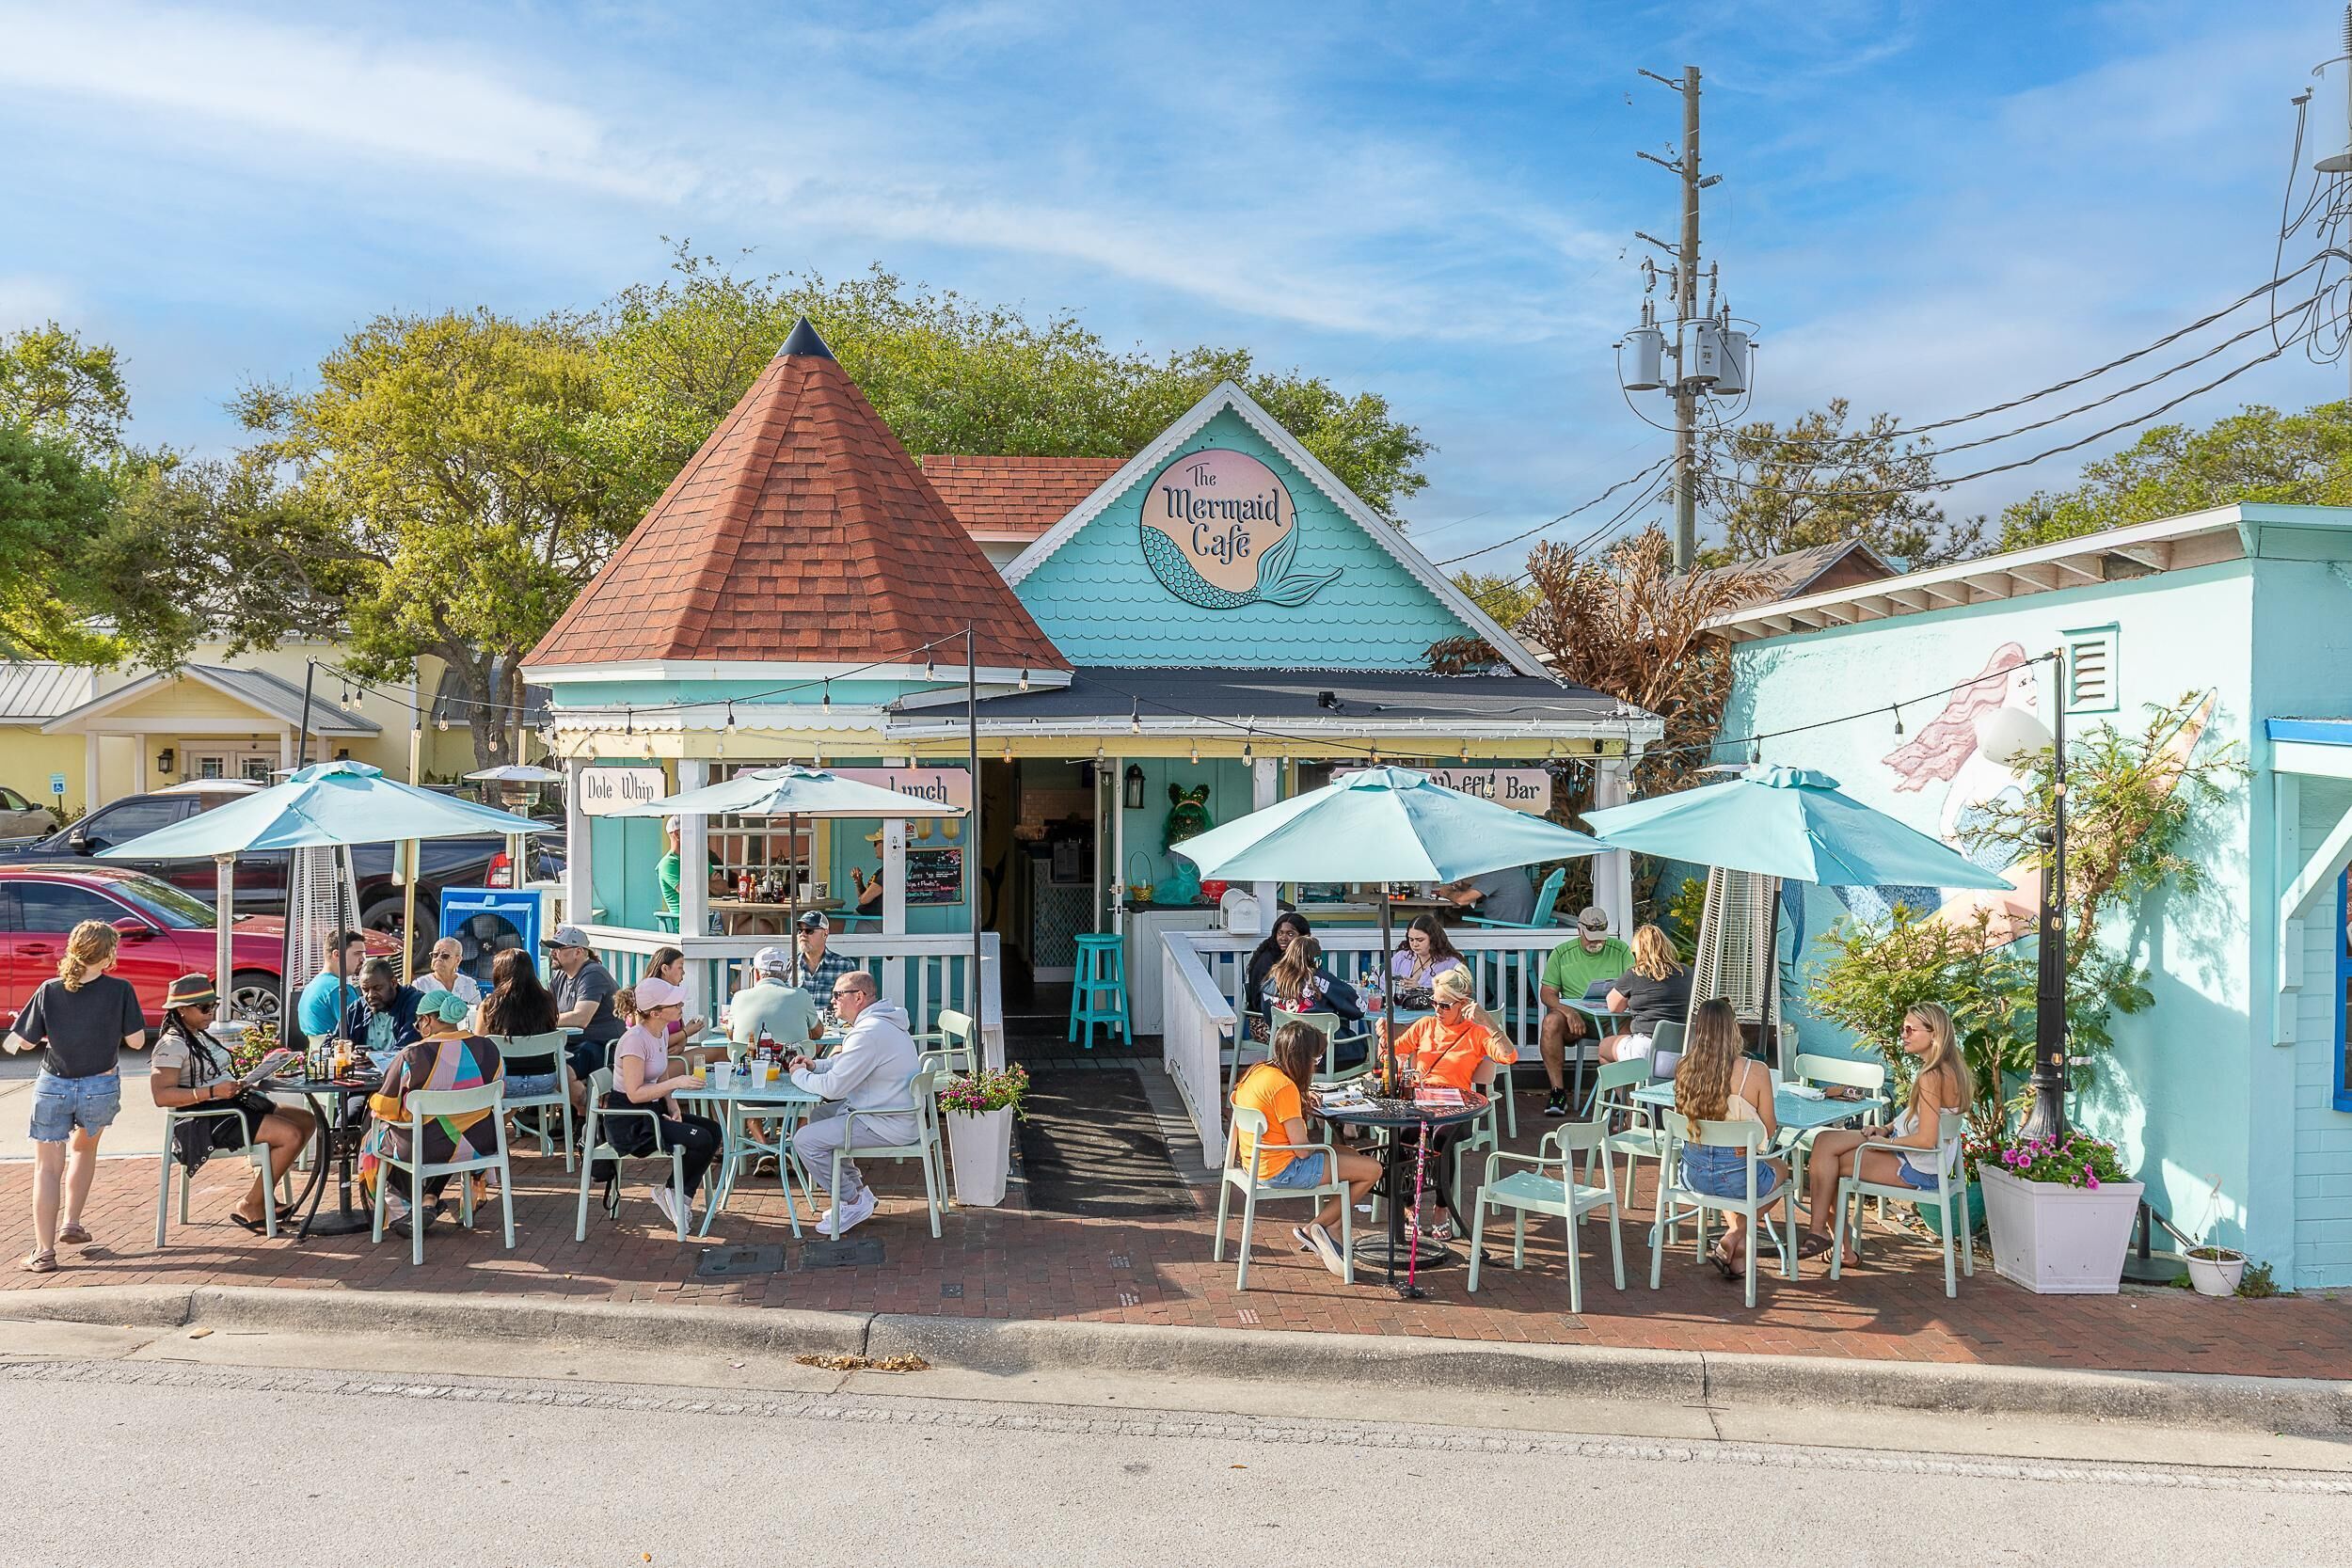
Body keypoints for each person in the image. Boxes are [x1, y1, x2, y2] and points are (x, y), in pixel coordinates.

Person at [4, 920, 145, 1273]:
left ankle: (43, 1251)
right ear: (108, 954)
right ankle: (72, 1221)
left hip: (54, 1083)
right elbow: (138, 1042)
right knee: (84, 1150)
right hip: (99, 1085)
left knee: (47, 1168)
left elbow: (18, 1044)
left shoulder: (49, 990)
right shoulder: (120, 990)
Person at [1799, 1002, 1974, 1267]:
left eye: (1910, 1029)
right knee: (1824, 1141)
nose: (1903, 1034)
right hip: (1924, 1160)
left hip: (1918, 1165)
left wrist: (1887, 1142)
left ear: (1934, 1034)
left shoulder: (1932, 1076)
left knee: (1827, 1165)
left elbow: (1926, 1140)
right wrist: (1887, 1129)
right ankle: (1827, 1238)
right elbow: (1919, 1119)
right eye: (1903, 1029)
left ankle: (1827, 1238)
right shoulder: (1952, 1069)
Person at [150, 974, 316, 1234]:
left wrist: (247, 1080)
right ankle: (251, 1204)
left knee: (306, 1120)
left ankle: (262, 1197)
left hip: (230, 1104)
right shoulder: (171, 1045)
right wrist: (213, 1091)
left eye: (213, 1006)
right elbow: (162, 1096)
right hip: (205, 1118)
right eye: (204, 1008)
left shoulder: (199, 1035)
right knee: (290, 1135)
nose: (210, 1013)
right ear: (181, 1010)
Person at [1375, 967, 1517, 1240]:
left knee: (1441, 1139)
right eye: (1434, 1002)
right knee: (1401, 1135)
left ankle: (1442, 1208)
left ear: (1463, 1005)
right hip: (1422, 1100)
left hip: (1458, 1104)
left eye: (1444, 1004)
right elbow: (1392, 1052)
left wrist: (1487, 1021)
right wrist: (1384, 1037)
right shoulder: (1425, 1025)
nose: (1437, 1009)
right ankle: (1408, 1208)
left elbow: (1509, 1057)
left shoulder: (1476, 1033)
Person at [1232, 1020, 1380, 1276]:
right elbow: (1302, 1150)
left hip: (1256, 1160)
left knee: (1351, 1155)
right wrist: (1303, 1115)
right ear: (1303, 1059)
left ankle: (1333, 1229)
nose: (1316, 1064)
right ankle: (1317, 1227)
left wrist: (1300, 1102)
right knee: (1373, 1169)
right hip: (1284, 1169)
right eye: (1316, 1058)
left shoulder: (1258, 1072)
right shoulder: (1284, 1088)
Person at [358, 989, 505, 1233]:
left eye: (418, 1022)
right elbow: (500, 1093)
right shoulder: (489, 1049)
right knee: (448, 1130)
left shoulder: (413, 1055)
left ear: (427, 1020)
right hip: (480, 1144)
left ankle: (400, 1211)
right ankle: (429, 1199)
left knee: (377, 1136)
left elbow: (385, 1106)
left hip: (423, 1147)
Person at [787, 970, 916, 1238]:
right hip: (887, 1111)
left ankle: (852, 1202)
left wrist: (800, 1075)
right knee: (820, 1116)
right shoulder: (880, 1024)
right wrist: (816, 1065)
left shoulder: (869, 1032)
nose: (833, 1001)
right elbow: (847, 1064)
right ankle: (857, 1192)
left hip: (885, 1121)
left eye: (838, 995)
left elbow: (834, 1088)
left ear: (858, 997)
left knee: (804, 1141)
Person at [1672, 997, 1787, 1279]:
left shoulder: (1685, 1067)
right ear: (1732, 1028)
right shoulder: (1755, 1071)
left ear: (1700, 1030)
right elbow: (1768, 1130)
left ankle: (1738, 1260)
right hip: (1736, 1176)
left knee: (1728, 1185)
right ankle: (1735, 1233)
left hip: (1691, 1175)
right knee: (1782, 1170)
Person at [601, 976, 722, 1231]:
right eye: (673, 1003)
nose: (680, 1006)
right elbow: (634, 1093)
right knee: (699, 1138)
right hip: (631, 1121)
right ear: (655, 1012)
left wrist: (673, 1105)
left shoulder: (660, 1032)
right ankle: (674, 1194)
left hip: (652, 1111)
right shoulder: (635, 1040)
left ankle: (677, 1195)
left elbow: (661, 1072)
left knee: (713, 1130)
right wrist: (675, 1084)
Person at [1536, 907, 1634, 1117]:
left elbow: (1634, 983)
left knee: (1630, 1029)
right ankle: (1557, 1092)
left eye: (1600, 937)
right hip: (1577, 1020)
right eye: (1590, 938)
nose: (1596, 943)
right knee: (1551, 1023)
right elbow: (1547, 993)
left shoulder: (1621, 950)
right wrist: (1568, 1011)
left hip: (1613, 1021)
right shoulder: (1562, 953)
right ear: (1579, 930)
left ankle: (1623, 1097)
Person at [1594, 925, 1692, 1069]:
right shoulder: (1686, 972)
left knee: (1604, 1048)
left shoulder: (1635, 974)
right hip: (1682, 1052)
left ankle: (1626, 1093)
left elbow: (1613, 1006)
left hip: (1645, 1049)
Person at [544, 924, 621, 1105]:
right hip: (572, 1044)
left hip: (603, 1046)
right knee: (541, 1066)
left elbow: (581, 1018)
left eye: (559, 949)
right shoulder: (559, 976)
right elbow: (548, 1010)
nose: (552, 953)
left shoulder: (593, 973)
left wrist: (542, 1021)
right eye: (552, 949)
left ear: (578, 952)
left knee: (563, 1072)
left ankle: (587, 1118)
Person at [1256, 934, 1363, 1060]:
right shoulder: (1324, 980)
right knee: (1362, 1044)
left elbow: (1269, 1018)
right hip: (1325, 1056)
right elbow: (1358, 1009)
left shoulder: (1271, 981)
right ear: (1317, 959)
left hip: (1286, 1054)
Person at [480, 948, 563, 1103]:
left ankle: (496, 1126)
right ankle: (527, 1120)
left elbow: (480, 1044)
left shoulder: (490, 1005)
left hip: (505, 1084)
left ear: (499, 972)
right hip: (545, 1081)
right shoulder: (547, 1001)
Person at [727, 945, 825, 1051]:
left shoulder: (739, 997)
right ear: (786, 974)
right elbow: (818, 1033)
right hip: (794, 1064)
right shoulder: (801, 995)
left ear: (756, 973)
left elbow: (731, 1035)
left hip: (749, 1064)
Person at [295, 929, 370, 1043]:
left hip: (317, 1055)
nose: (362, 959)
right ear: (337, 954)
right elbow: (360, 1031)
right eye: (357, 954)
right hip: (338, 1056)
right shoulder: (339, 989)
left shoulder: (311, 986)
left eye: (363, 954)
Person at [338, 958, 424, 1053]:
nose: (371, 995)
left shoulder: (415, 1004)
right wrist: (349, 1055)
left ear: (393, 983)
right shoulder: (357, 1009)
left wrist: (373, 1057)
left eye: (377, 988)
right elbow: (331, 1044)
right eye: (365, 990)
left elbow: (408, 1050)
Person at [1242, 911, 1312, 1017]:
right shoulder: (1268, 959)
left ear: (1303, 938)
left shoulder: (1302, 958)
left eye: (1290, 934)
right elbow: (1260, 1002)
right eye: (1280, 933)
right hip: (1265, 1018)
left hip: (1293, 1013)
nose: (1283, 938)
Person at [657, 816, 726, 919]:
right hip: (688, 921)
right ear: (677, 834)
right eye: (690, 831)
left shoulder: (697, 858)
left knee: (757, 922)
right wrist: (708, 883)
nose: (697, 835)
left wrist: (698, 884)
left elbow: (724, 888)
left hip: (708, 915)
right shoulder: (668, 864)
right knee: (743, 916)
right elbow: (690, 892)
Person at [787, 911, 861, 1000]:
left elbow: (851, 1003)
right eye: (799, 930)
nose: (803, 934)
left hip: (830, 1014)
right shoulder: (789, 965)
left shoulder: (844, 965)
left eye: (809, 930)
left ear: (825, 933)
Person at [645, 945, 709, 1045]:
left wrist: (681, 1045)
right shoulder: (649, 998)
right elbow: (651, 1042)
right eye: (680, 967)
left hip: (677, 1055)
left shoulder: (674, 995)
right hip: (659, 1058)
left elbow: (681, 1028)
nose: (683, 972)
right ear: (665, 969)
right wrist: (686, 1033)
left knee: (721, 1051)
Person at [1388, 914, 1467, 993]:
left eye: (1420, 940)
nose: (1415, 944)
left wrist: (1421, 989)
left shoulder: (1450, 963)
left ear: (1433, 939)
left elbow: (1459, 993)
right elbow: (1383, 983)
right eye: (1411, 939)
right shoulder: (1402, 956)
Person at [1440, 864, 1534, 926]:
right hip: (1521, 931)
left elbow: (1462, 900)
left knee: (1446, 927)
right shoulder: (1511, 869)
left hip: (1504, 934)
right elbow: (1487, 891)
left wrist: (1446, 893)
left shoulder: (1496, 873)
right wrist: (1463, 887)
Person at [412, 937, 483, 1010]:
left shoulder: (470, 984)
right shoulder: (419, 984)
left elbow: (477, 1013)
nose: (438, 959)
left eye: (445, 956)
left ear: (457, 960)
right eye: (435, 955)